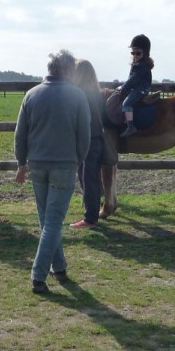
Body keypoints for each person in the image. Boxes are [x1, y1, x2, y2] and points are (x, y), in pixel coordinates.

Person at [15, 50, 90, 294]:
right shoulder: (78, 96)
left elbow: (20, 134)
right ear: (69, 70)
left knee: (47, 219)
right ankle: (38, 275)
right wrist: (79, 159)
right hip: (64, 164)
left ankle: (59, 267)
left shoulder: (31, 94)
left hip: (37, 165)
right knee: (53, 221)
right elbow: (84, 135)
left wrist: (21, 162)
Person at [70, 59, 105, 228]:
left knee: (88, 178)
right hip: (96, 139)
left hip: (88, 140)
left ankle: (90, 218)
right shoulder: (96, 92)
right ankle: (92, 212)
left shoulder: (81, 93)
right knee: (90, 177)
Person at [119, 34, 154, 137]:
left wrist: (123, 87)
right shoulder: (137, 64)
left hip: (140, 90)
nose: (135, 55)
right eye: (132, 53)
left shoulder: (142, 66)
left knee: (126, 104)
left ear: (145, 53)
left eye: (138, 53)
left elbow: (133, 79)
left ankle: (131, 127)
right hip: (137, 88)